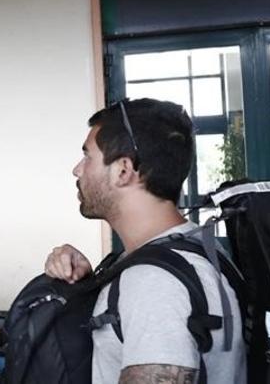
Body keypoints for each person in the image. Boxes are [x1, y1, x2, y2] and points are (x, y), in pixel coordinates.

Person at [42, 99, 246, 384]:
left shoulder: (153, 283)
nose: (77, 170)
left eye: (87, 156)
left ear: (123, 170)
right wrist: (87, 285)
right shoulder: (193, 246)